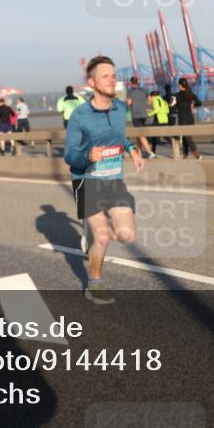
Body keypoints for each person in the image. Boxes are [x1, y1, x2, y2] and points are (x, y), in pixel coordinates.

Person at [65, 56, 143, 304]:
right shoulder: (80, 116)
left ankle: (92, 232)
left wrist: (131, 148)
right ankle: (94, 283)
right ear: (92, 82)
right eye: (106, 76)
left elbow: (120, 136)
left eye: (113, 75)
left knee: (127, 236)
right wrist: (87, 155)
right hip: (87, 182)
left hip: (114, 181)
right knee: (102, 237)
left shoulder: (121, 108)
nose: (112, 80)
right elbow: (69, 155)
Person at [126, 77, 155, 158]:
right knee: (138, 135)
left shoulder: (130, 92)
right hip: (144, 115)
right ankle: (139, 153)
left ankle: (150, 152)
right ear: (138, 82)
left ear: (131, 83)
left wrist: (127, 104)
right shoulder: (144, 90)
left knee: (140, 134)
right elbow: (150, 100)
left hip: (136, 115)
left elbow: (129, 102)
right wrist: (144, 105)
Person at [175, 78, 203, 160]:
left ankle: (196, 153)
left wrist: (175, 106)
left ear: (180, 85)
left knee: (187, 136)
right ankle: (185, 154)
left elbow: (173, 106)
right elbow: (199, 103)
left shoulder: (177, 95)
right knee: (185, 136)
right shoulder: (190, 94)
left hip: (182, 118)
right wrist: (193, 105)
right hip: (190, 118)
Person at [146, 89, 170, 155]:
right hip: (165, 119)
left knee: (154, 135)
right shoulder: (162, 100)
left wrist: (149, 114)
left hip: (158, 119)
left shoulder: (155, 100)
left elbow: (156, 110)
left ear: (152, 96)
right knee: (163, 135)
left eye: (151, 97)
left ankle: (152, 151)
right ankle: (173, 140)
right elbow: (167, 110)